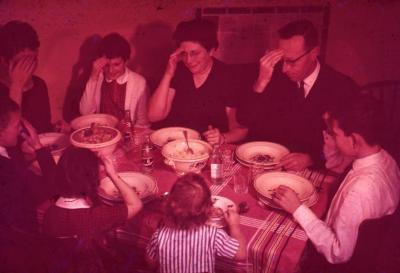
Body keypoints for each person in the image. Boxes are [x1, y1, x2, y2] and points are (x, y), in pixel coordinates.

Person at [272, 95, 400, 264]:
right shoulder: (385, 158)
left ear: (354, 140)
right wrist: (332, 130)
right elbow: (338, 165)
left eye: (335, 134)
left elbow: (338, 252)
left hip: (340, 264)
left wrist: (297, 209)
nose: (331, 136)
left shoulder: (360, 190)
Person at [238, 19, 358, 171]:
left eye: (292, 62)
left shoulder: (341, 87)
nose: (284, 69)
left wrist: (312, 159)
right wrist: (261, 82)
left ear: (314, 53)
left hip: (315, 168)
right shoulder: (272, 75)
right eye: (282, 60)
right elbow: (244, 119)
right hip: (271, 164)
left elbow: (350, 148)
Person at [148, 18, 247, 145]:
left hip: (207, 148)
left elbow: (240, 130)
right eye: (184, 53)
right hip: (178, 145)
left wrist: (222, 137)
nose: (188, 60)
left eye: (195, 53)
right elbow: (154, 116)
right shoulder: (178, 70)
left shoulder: (228, 76)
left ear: (211, 50)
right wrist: (168, 74)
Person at [42, 146, 143, 272]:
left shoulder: (49, 213)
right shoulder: (94, 217)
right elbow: (135, 205)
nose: (100, 170)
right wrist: (112, 174)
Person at [146, 173, 246, 273]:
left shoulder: (159, 235)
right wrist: (234, 226)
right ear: (208, 209)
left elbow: (150, 262)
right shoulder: (213, 235)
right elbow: (241, 254)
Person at [0, 97, 56, 272]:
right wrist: (39, 148)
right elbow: (53, 184)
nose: (20, 131)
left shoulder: (7, 151)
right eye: (16, 126)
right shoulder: (6, 172)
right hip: (23, 243)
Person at [80, 32, 149, 128]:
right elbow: (85, 113)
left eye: (116, 64)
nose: (111, 71)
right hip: (102, 136)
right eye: (107, 65)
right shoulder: (98, 78)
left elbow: (143, 123)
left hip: (128, 137)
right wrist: (93, 77)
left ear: (126, 61)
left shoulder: (139, 82)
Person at [0, 20, 52, 133]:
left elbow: (44, 130)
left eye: (33, 60)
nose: (29, 68)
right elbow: (6, 137)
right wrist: (16, 87)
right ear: (4, 61)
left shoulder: (39, 85)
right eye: (22, 63)